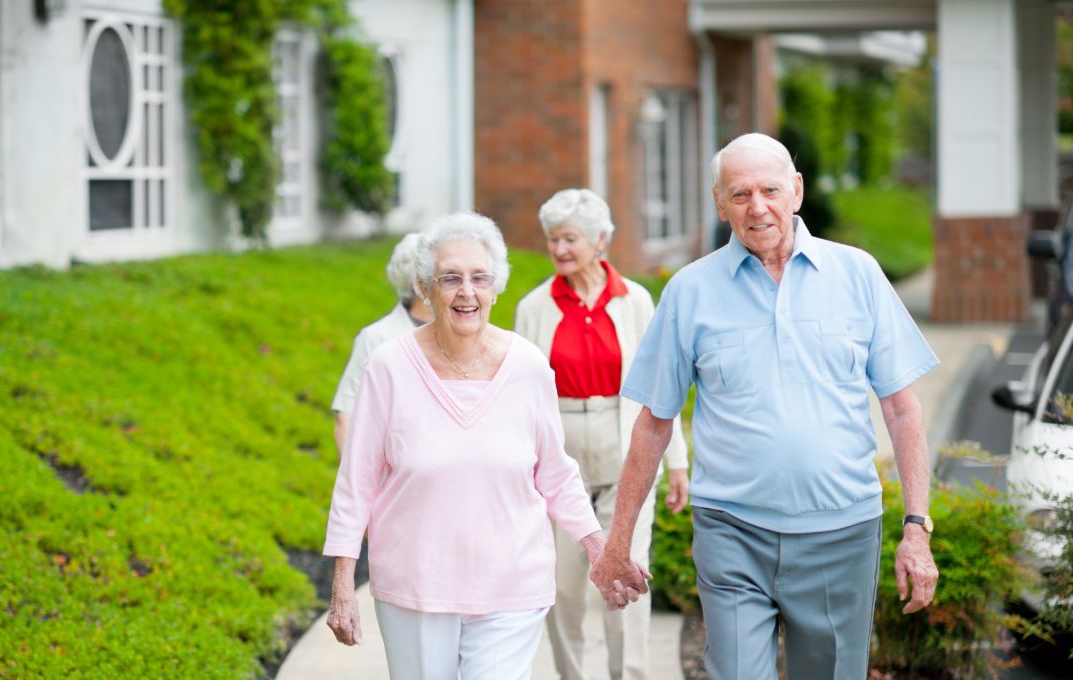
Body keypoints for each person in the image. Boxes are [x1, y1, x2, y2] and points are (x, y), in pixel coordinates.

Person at [589, 133, 941, 679]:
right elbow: (654, 423)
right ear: (719, 203)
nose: (757, 207)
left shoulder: (858, 274)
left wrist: (916, 527)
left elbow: (901, 408)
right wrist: (618, 542)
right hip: (732, 532)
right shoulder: (690, 291)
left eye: (770, 190)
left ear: (796, 191)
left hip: (841, 533)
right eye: (740, 194)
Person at [323, 212, 615, 679]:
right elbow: (356, 479)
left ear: (496, 286)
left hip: (511, 581)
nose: (467, 292)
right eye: (450, 278)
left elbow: (555, 473)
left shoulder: (528, 366)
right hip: (416, 583)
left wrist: (601, 547)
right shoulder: (389, 365)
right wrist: (342, 581)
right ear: (425, 286)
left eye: (480, 278)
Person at [514, 188, 689, 680]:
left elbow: (663, 386)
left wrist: (676, 462)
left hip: (626, 458)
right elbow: (520, 393)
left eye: (570, 238)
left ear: (600, 241)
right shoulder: (535, 307)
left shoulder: (635, 300)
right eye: (553, 239)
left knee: (626, 578)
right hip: (559, 466)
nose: (560, 249)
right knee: (564, 587)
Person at [331, 233, 433, 452]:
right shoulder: (376, 338)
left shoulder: (460, 334)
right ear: (417, 282)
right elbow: (346, 414)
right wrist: (357, 481)